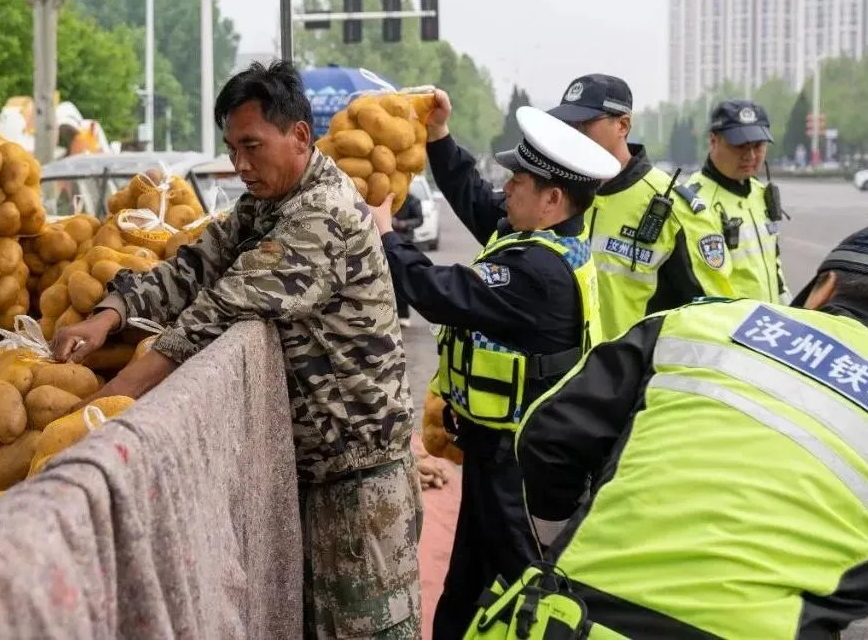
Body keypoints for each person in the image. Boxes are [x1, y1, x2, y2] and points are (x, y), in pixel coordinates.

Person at [50, 60, 422, 640]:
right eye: (232, 148)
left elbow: (219, 308)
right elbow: (196, 266)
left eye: (252, 146)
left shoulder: (322, 213)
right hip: (314, 473)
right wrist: (108, 316)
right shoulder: (266, 204)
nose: (240, 164)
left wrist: (107, 404)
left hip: (359, 483)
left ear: (299, 135)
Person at [465, 221, 868, 640]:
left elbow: (546, 437)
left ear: (824, 288)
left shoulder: (700, 323)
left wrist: (559, 540)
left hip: (577, 620)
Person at [371, 94, 620, 640]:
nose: (505, 188)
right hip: (496, 453)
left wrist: (385, 235)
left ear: (552, 197)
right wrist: (438, 137)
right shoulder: (541, 235)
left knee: (524, 591)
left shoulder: (538, 273)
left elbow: (440, 292)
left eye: (518, 182)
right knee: (469, 587)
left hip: (520, 470)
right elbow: (475, 199)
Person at [547, 74, 737, 340]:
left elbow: (715, 316)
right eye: (568, 125)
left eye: (584, 125)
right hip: (568, 377)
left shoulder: (674, 209)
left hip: (635, 377)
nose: (573, 135)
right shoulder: (555, 195)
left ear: (623, 125)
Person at [683, 98, 789, 303]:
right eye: (739, 145)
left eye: (758, 146)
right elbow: (705, 292)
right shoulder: (695, 203)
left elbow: (774, 269)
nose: (750, 155)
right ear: (713, 141)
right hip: (730, 329)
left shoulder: (760, 193)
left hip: (770, 324)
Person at [391, 193, 424, 327]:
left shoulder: (412, 200)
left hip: (404, 243)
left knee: (401, 279)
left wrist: (401, 223)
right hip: (383, 242)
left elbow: (419, 219)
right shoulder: (383, 197)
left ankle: (403, 314)